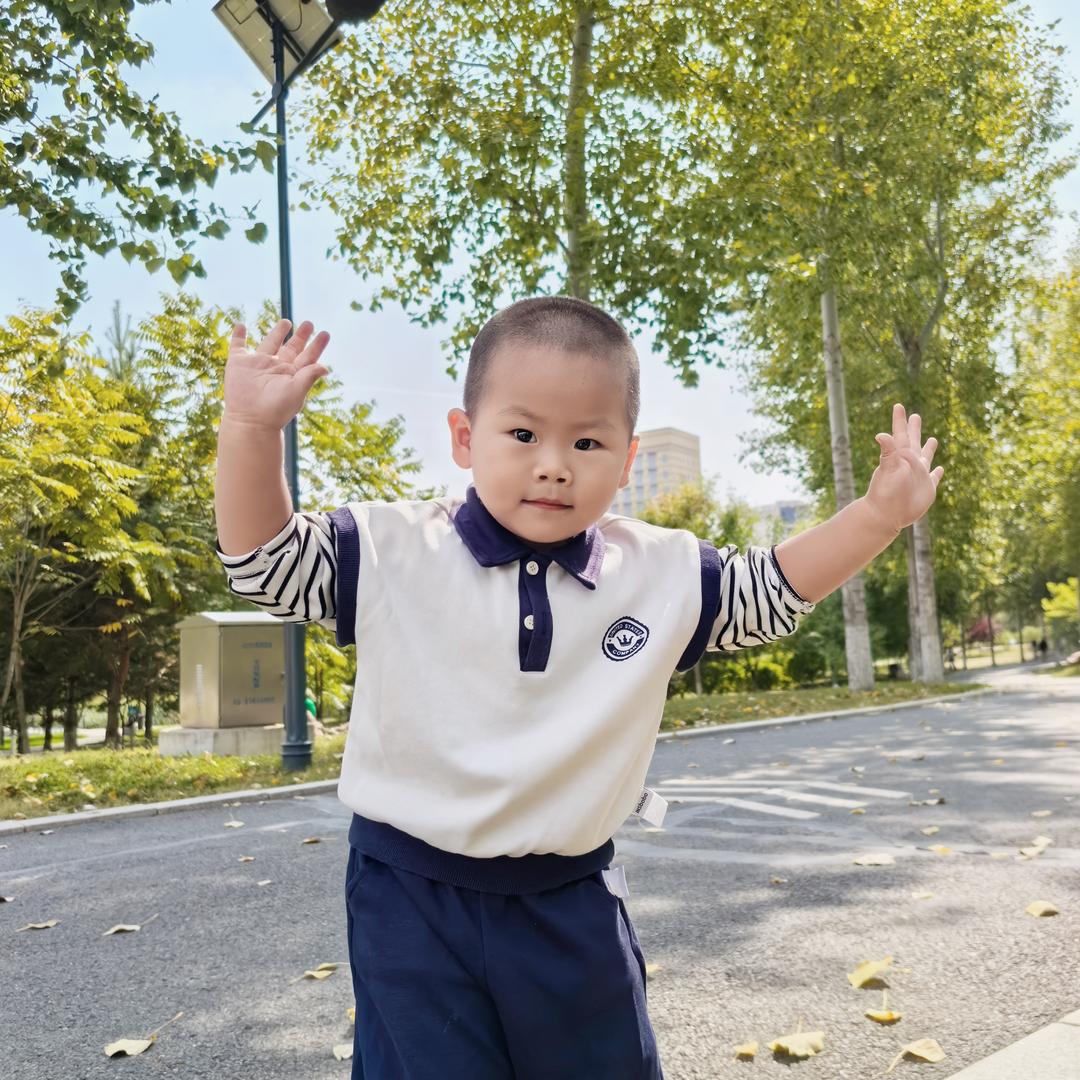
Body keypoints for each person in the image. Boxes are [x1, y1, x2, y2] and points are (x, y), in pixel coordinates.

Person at [213, 298, 944, 1079]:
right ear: (465, 438)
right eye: (523, 434)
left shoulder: (659, 569)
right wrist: (253, 431)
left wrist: (875, 517)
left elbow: (767, 593)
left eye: (587, 441)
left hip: (572, 896)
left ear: (627, 461)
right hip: (411, 896)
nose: (554, 462)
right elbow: (265, 562)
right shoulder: (393, 546)